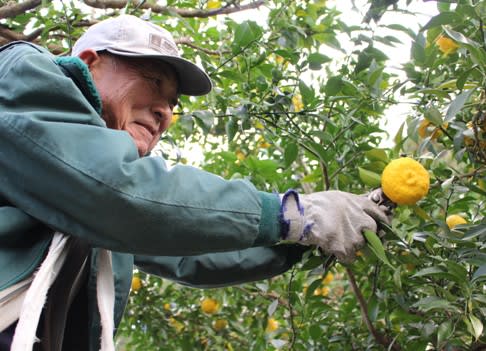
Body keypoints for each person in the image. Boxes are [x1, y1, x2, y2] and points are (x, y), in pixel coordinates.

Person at [0, 14, 389, 351]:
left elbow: (189, 252)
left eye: (173, 104)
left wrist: (306, 236)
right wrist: (295, 214)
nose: (164, 112)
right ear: (90, 63)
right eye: (154, 81)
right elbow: (117, 189)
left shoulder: (110, 221)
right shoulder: (24, 72)